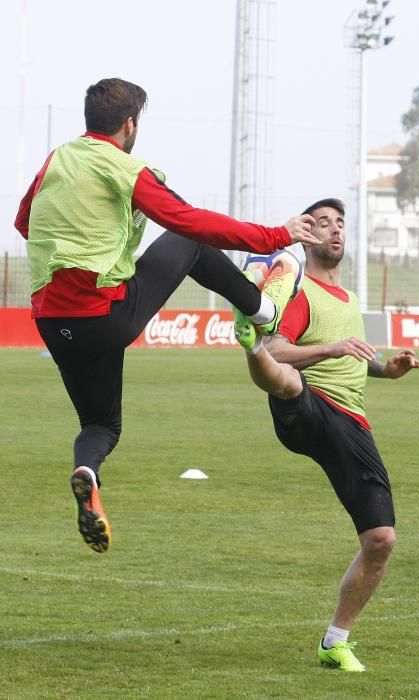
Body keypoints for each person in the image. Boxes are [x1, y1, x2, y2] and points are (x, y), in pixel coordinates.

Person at [14, 78, 321, 554]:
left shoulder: (55, 160)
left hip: (53, 321)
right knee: (191, 242)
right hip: (105, 311)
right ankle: (264, 310)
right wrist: (274, 235)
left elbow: (23, 221)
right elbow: (188, 221)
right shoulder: (125, 167)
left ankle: (87, 472)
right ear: (130, 123)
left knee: (101, 426)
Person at [234, 198, 419, 672]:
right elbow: (284, 349)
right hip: (311, 408)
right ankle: (247, 341)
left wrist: (385, 369)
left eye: (340, 223)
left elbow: (351, 360)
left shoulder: (351, 300)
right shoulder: (301, 293)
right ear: (307, 236)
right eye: (322, 223)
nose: (334, 230)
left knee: (381, 539)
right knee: (283, 374)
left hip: (352, 425)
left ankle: (334, 642)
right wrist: (318, 347)